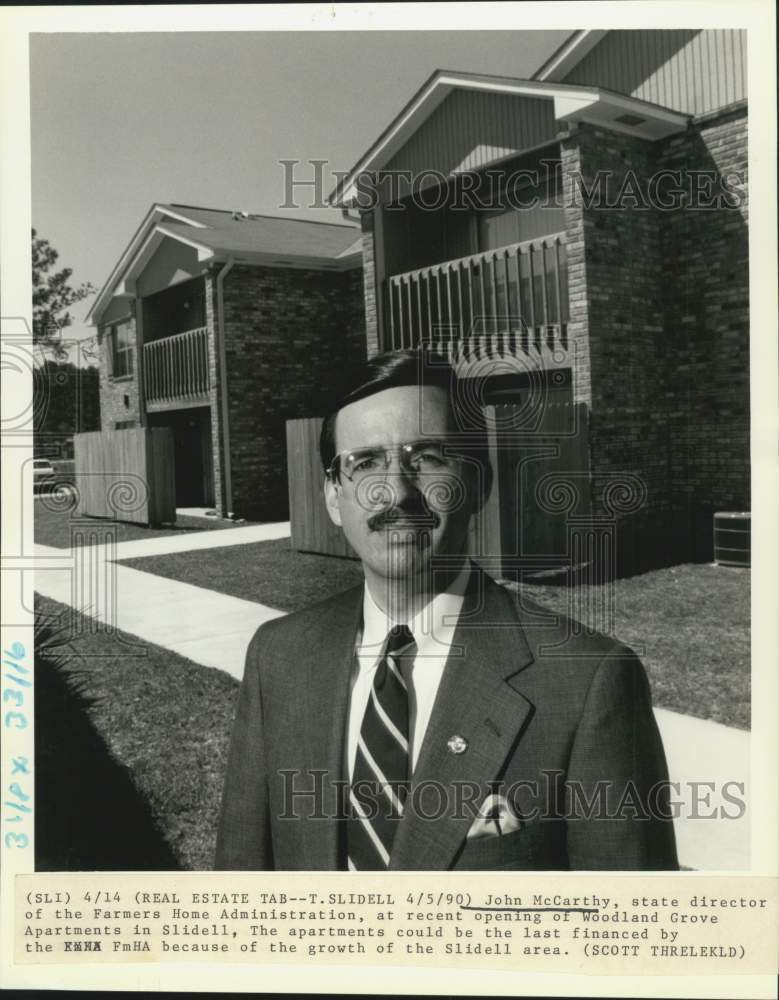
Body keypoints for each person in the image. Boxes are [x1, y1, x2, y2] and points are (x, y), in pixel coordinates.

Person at [215, 348, 678, 871]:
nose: (397, 491)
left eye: (427, 457)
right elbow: (241, 883)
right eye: (365, 462)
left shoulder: (589, 682)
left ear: (478, 483)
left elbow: (628, 936)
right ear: (332, 496)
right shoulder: (278, 656)